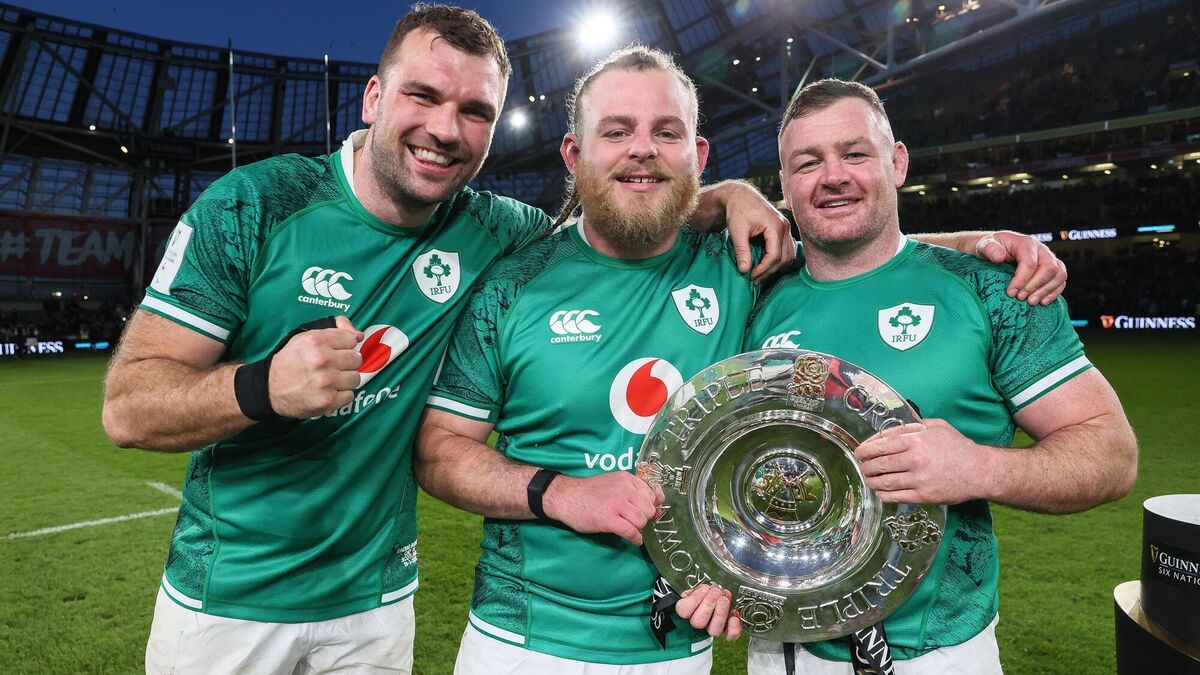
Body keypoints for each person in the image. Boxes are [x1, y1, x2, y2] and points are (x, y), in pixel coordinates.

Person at [99, 7, 797, 674]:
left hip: (376, 605)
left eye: (474, 111)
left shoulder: (500, 233)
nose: (444, 128)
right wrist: (263, 385)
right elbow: (128, 409)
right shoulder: (256, 205)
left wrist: (726, 196)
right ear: (374, 98)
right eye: (423, 96)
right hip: (227, 601)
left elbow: (622, 207)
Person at [414, 46, 1069, 674]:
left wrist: (980, 247)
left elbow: (856, 252)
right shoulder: (512, 285)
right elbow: (441, 453)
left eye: (666, 132)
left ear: (697, 154)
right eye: (616, 131)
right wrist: (559, 494)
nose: (642, 149)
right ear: (574, 152)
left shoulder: (744, 267)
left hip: (679, 646)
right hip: (521, 639)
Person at [743, 79, 1138, 675]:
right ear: (784, 185)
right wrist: (728, 193)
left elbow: (1112, 454)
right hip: (779, 648)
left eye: (855, 153)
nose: (833, 176)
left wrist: (978, 467)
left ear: (897, 162)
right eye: (808, 163)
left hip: (935, 654)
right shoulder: (753, 296)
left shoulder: (993, 291)